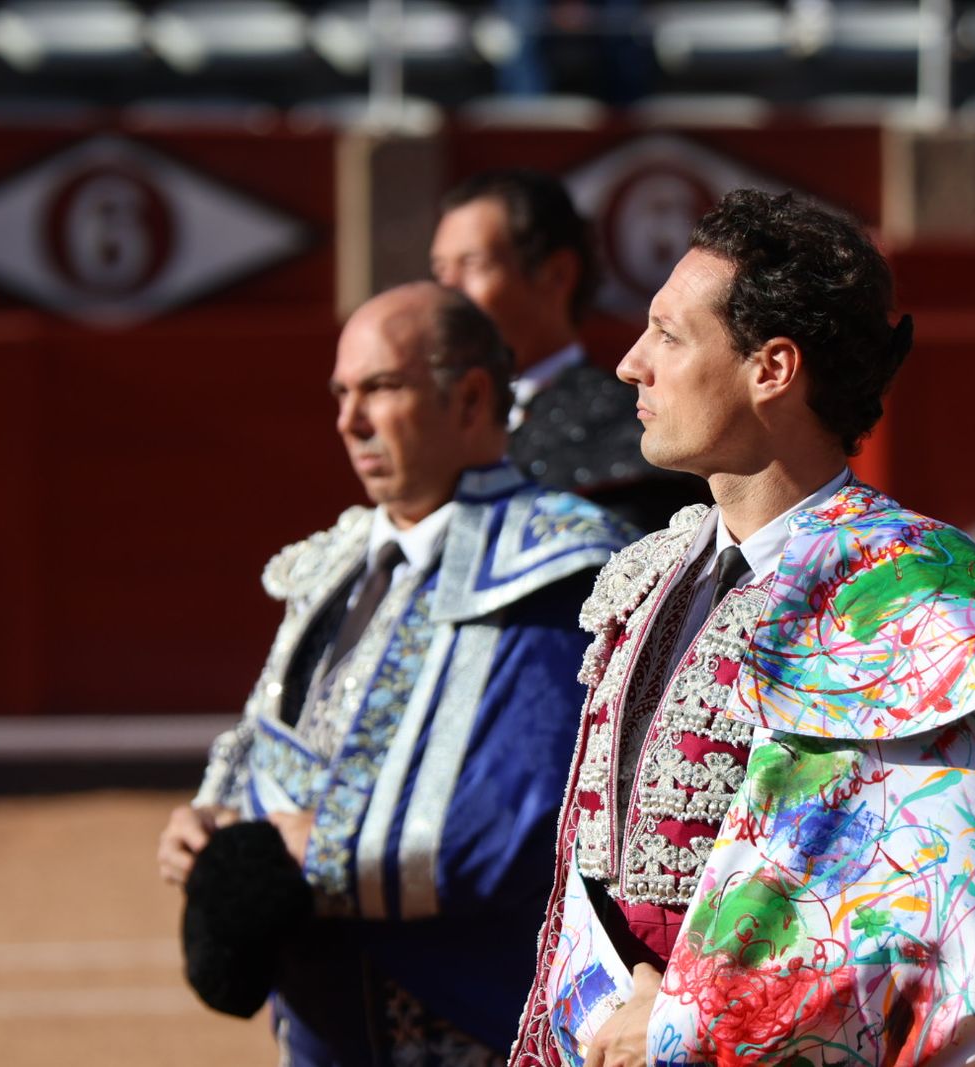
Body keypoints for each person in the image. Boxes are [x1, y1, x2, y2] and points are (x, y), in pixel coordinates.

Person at [510, 191, 975, 1067]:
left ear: (772, 368)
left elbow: (959, 921)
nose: (629, 364)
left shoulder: (919, 603)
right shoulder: (650, 573)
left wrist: (684, 1018)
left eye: (668, 335)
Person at [156, 282, 631, 1066]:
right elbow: (268, 732)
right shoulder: (337, 561)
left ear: (469, 397)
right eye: (341, 393)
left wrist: (307, 844)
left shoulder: (558, 568)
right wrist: (216, 823)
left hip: (471, 1021)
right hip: (326, 1023)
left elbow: (519, 813)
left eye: (379, 388)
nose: (349, 420)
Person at [431, 168, 704, 533]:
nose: (447, 292)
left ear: (557, 274)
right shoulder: (431, 418)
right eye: (440, 271)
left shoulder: (626, 426)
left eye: (472, 265)